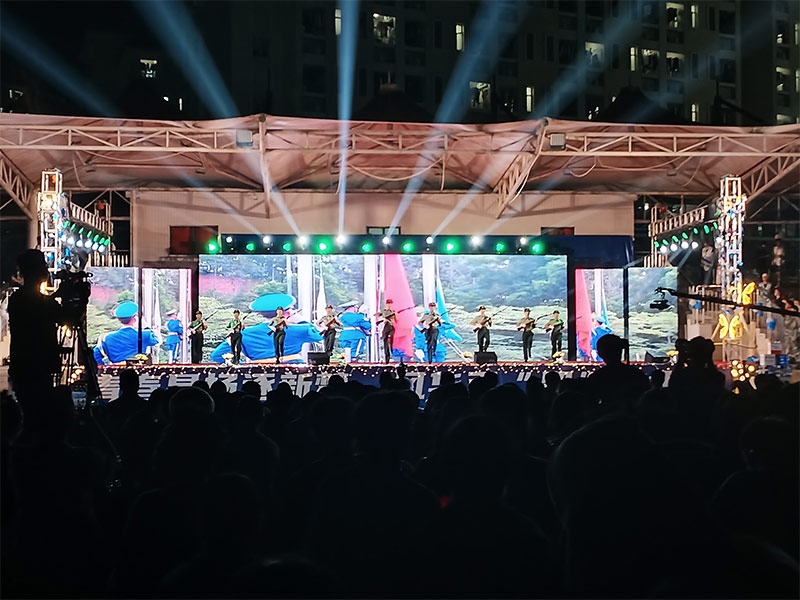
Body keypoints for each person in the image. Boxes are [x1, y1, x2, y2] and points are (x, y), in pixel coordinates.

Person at [7, 249, 64, 411]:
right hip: (34, 368)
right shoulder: (26, 300)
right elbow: (64, 317)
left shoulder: (20, 299)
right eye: (43, 266)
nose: (46, 270)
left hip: (28, 367)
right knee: (37, 413)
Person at [94, 301, 159, 365]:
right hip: (138, 369)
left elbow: (96, 354)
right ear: (135, 319)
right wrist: (146, 327)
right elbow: (157, 341)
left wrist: (105, 367)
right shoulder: (145, 335)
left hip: (116, 370)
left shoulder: (107, 338)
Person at [375, 299, 397, 363]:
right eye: (388, 303)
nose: (389, 305)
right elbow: (379, 316)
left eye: (390, 303)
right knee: (385, 343)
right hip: (385, 327)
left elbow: (396, 321)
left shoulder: (392, 311)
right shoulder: (383, 311)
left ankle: (391, 356)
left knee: (391, 341)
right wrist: (383, 319)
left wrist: (395, 315)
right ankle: (386, 358)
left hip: (391, 327)